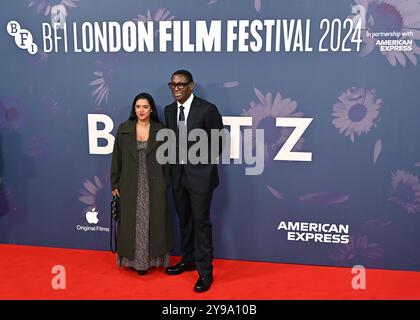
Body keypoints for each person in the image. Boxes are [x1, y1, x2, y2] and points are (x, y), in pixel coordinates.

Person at [164, 70, 224, 292]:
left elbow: (219, 143)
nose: (177, 88)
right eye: (173, 85)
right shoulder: (170, 111)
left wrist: (199, 163)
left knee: (201, 224)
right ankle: (187, 260)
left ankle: (205, 272)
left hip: (200, 177)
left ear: (192, 86)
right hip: (178, 176)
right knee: (184, 221)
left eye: (181, 84)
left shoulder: (207, 109)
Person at [110, 92, 173, 275]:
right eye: (138, 107)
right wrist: (115, 183)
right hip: (129, 183)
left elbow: (169, 161)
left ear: (151, 108)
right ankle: (135, 262)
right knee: (133, 222)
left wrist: (165, 183)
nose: (141, 110)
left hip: (154, 184)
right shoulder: (124, 129)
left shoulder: (161, 131)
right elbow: (116, 159)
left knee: (153, 221)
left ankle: (152, 261)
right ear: (134, 109)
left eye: (145, 107)